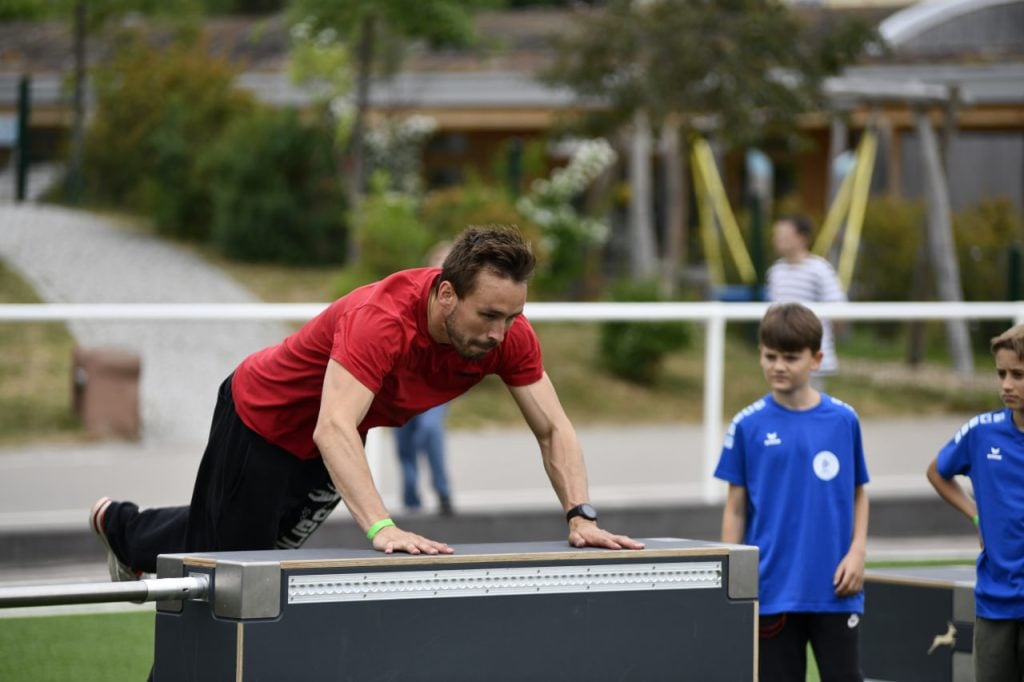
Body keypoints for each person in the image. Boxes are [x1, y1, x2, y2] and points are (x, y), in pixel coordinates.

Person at [90, 226, 643, 582]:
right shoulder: (380, 321)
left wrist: (581, 515)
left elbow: (553, 428)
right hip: (261, 419)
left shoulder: (509, 336)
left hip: (333, 437)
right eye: (489, 315)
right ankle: (123, 527)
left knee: (249, 543)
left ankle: (122, 528)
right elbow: (332, 425)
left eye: (512, 316)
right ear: (445, 294)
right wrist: (383, 528)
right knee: (237, 572)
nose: (501, 333)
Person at [714, 302, 870, 682]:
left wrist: (857, 552)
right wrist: (732, 580)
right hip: (771, 591)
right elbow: (735, 509)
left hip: (835, 588)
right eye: (770, 356)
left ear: (816, 359)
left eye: (790, 357)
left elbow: (858, 492)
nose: (778, 366)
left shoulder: (844, 420)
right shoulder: (747, 425)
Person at [926, 323, 1024, 682]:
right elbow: (938, 472)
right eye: (1001, 374)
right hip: (995, 604)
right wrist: (976, 517)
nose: (1006, 385)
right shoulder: (981, 432)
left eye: (1018, 375)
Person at [393, 241, 455, 516]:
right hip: (402, 385)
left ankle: (442, 491)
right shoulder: (413, 303)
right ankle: (410, 499)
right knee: (404, 443)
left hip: (436, 386)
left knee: (429, 430)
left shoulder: (461, 312)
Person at [766, 214, 847, 389]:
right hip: (782, 352)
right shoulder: (775, 271)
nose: (777, 240)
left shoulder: (819, 269)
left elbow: (837, 307)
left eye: (784, 235)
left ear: (802, 238)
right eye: (776, 236)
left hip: (811, 354)